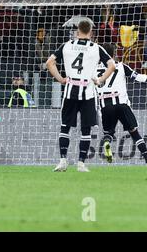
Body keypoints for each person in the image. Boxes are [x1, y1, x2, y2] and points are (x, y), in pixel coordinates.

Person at [46, 19, 116, 172]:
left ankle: (63, 161)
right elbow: (112, 65)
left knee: (65, 126)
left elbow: (50, 62)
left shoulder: (67, 45)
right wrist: (100, 80)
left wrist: (60, 79)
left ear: (77, 31)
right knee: (86, 129)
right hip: (88, 92)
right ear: (91, 32)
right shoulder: (96, 48)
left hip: (70, 89)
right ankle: (81, 163)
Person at [95, 43, 147, 166]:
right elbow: (138, 78)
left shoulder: (94, 69)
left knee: (109, 133)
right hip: (122, 104)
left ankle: (107, 143)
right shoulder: (121, 66)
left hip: (105, 106)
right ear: (114, 53)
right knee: (134, 132)